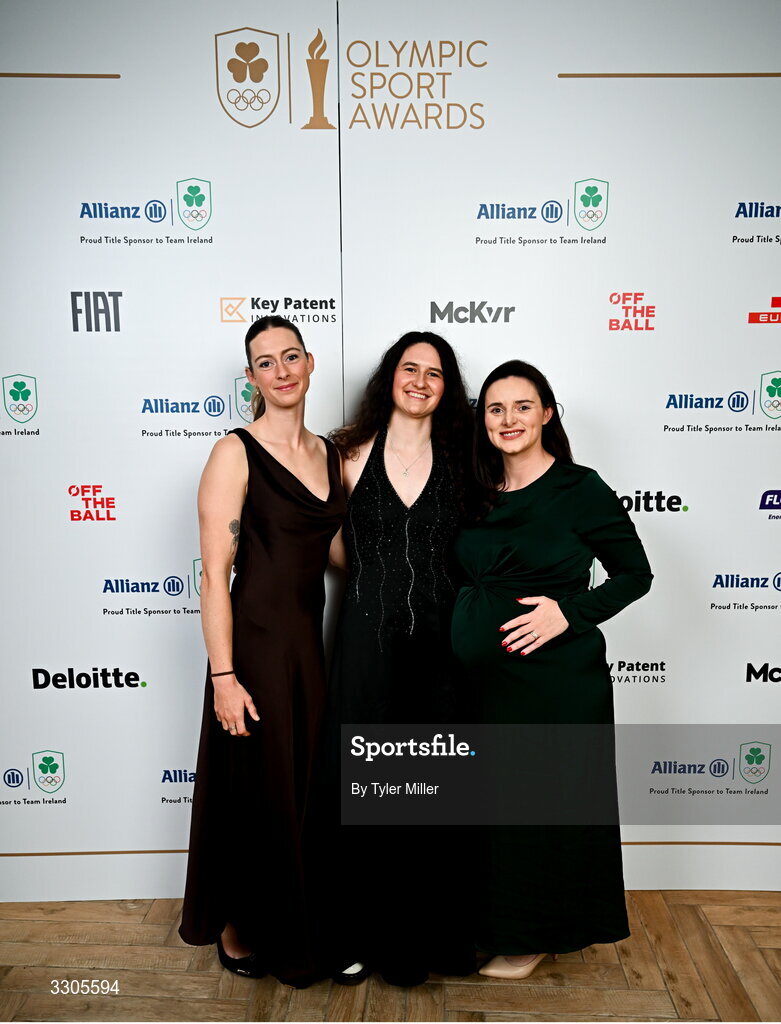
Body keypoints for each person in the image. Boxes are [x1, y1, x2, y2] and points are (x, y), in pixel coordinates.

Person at [451, 359, 652, 980]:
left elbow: (635, 575)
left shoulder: (579, 487)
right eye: (495, 408)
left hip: (555, 682)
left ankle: (537, 937)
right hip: (485, 686)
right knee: (498, 812)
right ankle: (499, 925)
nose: (508, 419)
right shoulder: (476, 491)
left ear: (547, 413)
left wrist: (569, 613)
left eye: (521, 406)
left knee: (543, 809)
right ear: (482, 420)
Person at [179, 315, 346, 988]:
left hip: (310, 642)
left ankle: (292, 918)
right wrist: (223, 674)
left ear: (310, 365)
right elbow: (213, 573)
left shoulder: (331, 455)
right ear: (250, 378)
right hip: (252, 645)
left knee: (300, 789)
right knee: (250, 789)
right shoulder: (233, 452)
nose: (280, 371)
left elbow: (333, 551)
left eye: (289, 357)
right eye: (264, 362)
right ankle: (235, 921)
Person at [323, 331, 476, 987]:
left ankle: (429, 942)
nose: (419, 380)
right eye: (408, 369)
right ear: (389, 378)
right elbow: (331, 548)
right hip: (365, 645)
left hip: (444, 649)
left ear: (447, 388)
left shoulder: (465, 457)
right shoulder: (347, 454)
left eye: (433, 373)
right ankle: (358, 938)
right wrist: (375, 589)